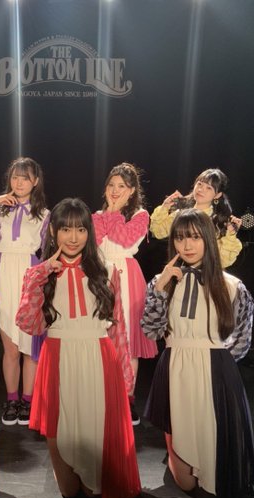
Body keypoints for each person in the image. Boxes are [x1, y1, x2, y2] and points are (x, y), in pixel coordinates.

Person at [16, 198, 141, 498]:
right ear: (53, 232)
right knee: (67, 477)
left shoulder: (106, 270)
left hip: (99, 358)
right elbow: (29, 324)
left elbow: (118, 329)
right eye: (66, 229)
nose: (73, 237)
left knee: (95, 457)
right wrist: (41, 274)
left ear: (89, 232)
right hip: (57, 356)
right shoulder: (41, 274)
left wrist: (125, 382)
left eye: (81, 229)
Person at [142, 209, 254, 498]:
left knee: (214, 470)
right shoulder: (162, 281)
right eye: (180, 238)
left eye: (195, 237)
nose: (187, 245)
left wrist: (220, 367)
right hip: (175, 367)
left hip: (215, 370)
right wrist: (160, 290)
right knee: (185, 481)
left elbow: (242, 338)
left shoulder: (232, 285)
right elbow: (150, 331)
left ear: (208, 239)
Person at [0, 157, 49, 426]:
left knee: (30, 346)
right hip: (3, 269)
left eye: (25, 177)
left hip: (29, 273)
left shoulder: (44, 213)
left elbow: (48, 248)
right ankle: (11, 399)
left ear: (35, 181)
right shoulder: (0, 208)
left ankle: (28, 401)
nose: (19, 182)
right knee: (10, 347)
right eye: (15, 177)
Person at [92, 162, 155, 425]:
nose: (115, 190)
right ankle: (105, 398)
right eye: (111, 185)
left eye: (121, 186)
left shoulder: (140, 215)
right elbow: (94, 242)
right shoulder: (96, 215)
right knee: (102, 338)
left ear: (132, 191)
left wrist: (114, 213)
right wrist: (108, 214)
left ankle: (128, 399)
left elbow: (125, 240)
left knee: (128, 341)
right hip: (101, 276)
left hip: (127, 277)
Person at [149, 168, 242, 268]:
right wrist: (165, 207)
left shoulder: (218, 221)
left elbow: (222, 260)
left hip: (205, 273)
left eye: (209, 188)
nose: (201, 189)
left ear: (217, 195)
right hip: (179, 270)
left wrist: (231, 235)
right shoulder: (181, 213)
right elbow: (157, 232)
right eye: (200, 184)